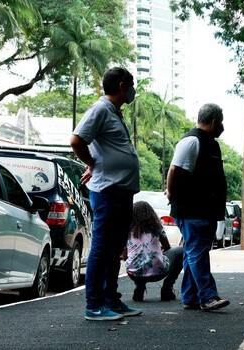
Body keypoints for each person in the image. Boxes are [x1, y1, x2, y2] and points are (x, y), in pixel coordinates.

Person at [71, 67, 142, 321]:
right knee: (102, 249)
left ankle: (112, 299)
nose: (133, 89)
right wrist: (91, 164)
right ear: (122, 86)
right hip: (108, 190)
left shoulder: (114, 112)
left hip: (122, 190)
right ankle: (94, 305)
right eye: (131, 84)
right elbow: (77, 140)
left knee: (114, 249)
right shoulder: (100, 109)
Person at [166, 103, 230, 312]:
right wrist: (170, 192)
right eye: (220, 122)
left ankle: (190, 296)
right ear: (213, 122)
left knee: (192, 252)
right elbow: (174, 170)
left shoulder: (211, 144)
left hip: (205, 209)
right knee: (196, 252)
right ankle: (208, 296)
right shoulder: (192, 140)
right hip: (192, 209)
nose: (222, 127)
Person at [125, 201, 183, 302]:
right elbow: (167, 248)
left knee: (136, 261)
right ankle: (167, 287)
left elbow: (125, 256)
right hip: (158, 273)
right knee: (181, 251)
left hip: (133, 273)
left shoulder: (126, 230)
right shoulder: (157, 228)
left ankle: (139, 286)